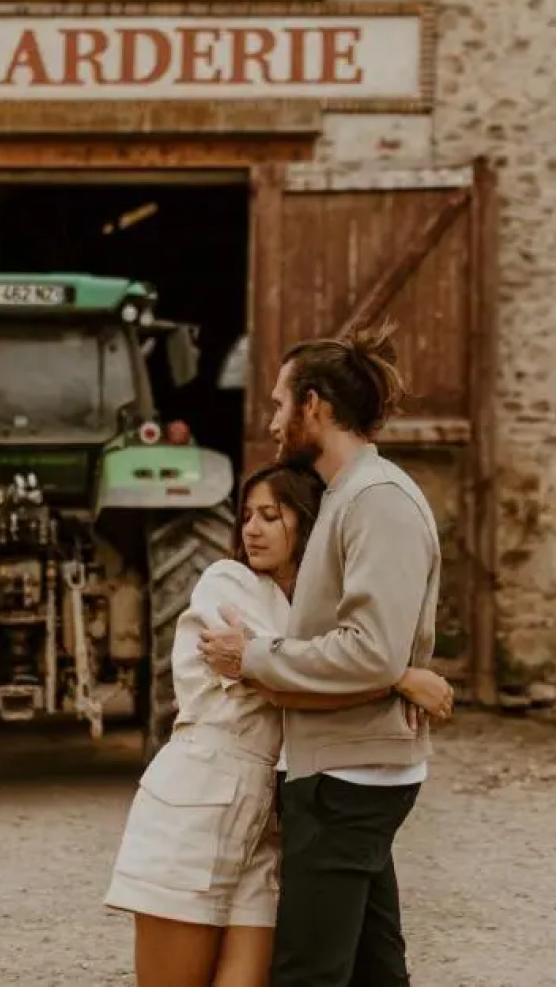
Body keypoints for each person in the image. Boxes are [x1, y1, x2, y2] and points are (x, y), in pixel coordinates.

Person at [103, 461, 454, 987]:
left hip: (272, 820)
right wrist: (401, 675)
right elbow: (293, 675)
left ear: (308, 523)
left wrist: (366, 661)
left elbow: (321, 662)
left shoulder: (319, 611)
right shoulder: (228, 583)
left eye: (271, 515)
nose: (251, 528)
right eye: (247, 515)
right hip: (197, 807)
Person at [199, 321, 441, 987]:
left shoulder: (377, 501)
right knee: (372, 971)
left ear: (314, 407)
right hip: (346, 770)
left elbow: (369, 651)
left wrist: (255, 656)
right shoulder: (347, 498)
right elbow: (377, 654)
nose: (272, 420)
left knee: (307, 975)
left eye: (280, 403)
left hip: (349, 778)